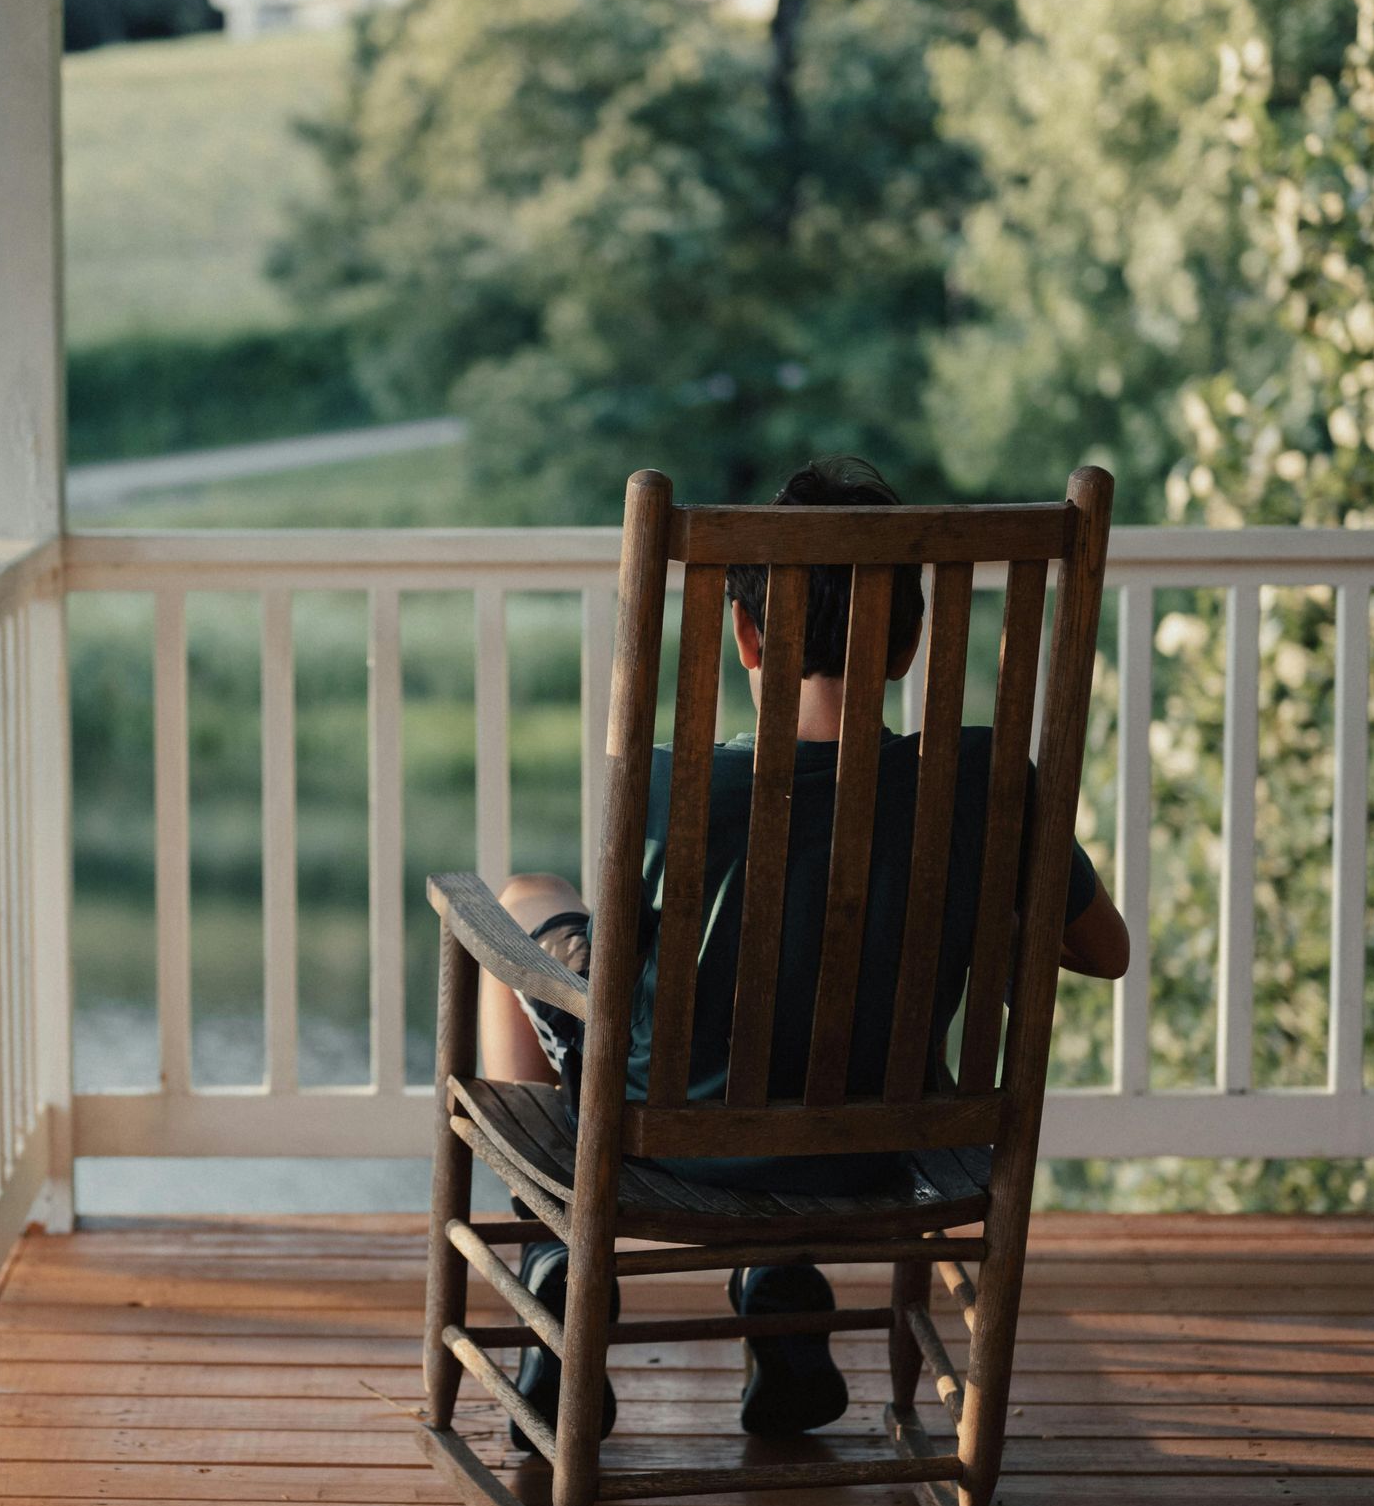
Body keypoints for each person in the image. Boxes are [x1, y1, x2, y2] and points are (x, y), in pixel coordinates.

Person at [479, 455, 1130, 1446]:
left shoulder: (673, 788)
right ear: (912, 645)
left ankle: (557, 1272)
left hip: (666, 1136)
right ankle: (778, 1272)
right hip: (885, 1141)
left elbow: (629, 966)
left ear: (746, 634)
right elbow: (1106, 951)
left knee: (522, 901)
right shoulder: (993, 790)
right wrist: (963, 899)